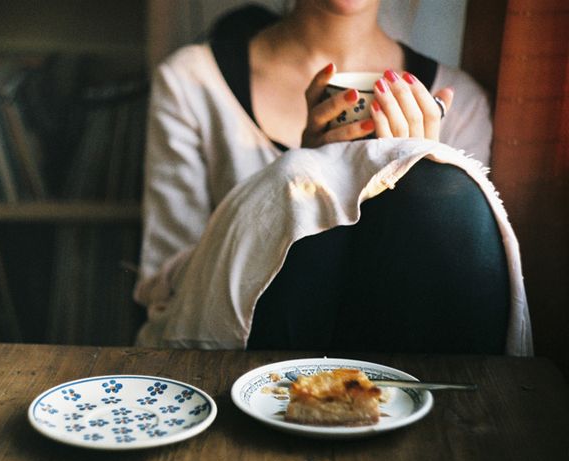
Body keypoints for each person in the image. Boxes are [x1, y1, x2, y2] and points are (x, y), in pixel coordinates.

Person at [133, 0, 532, 355]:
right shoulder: (193, 81)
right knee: (303, 178)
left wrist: (413, 173)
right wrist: (296, 183)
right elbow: (163, 285)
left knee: (437, 186)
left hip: (399, 345)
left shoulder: (456, 101)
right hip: (247, 348)